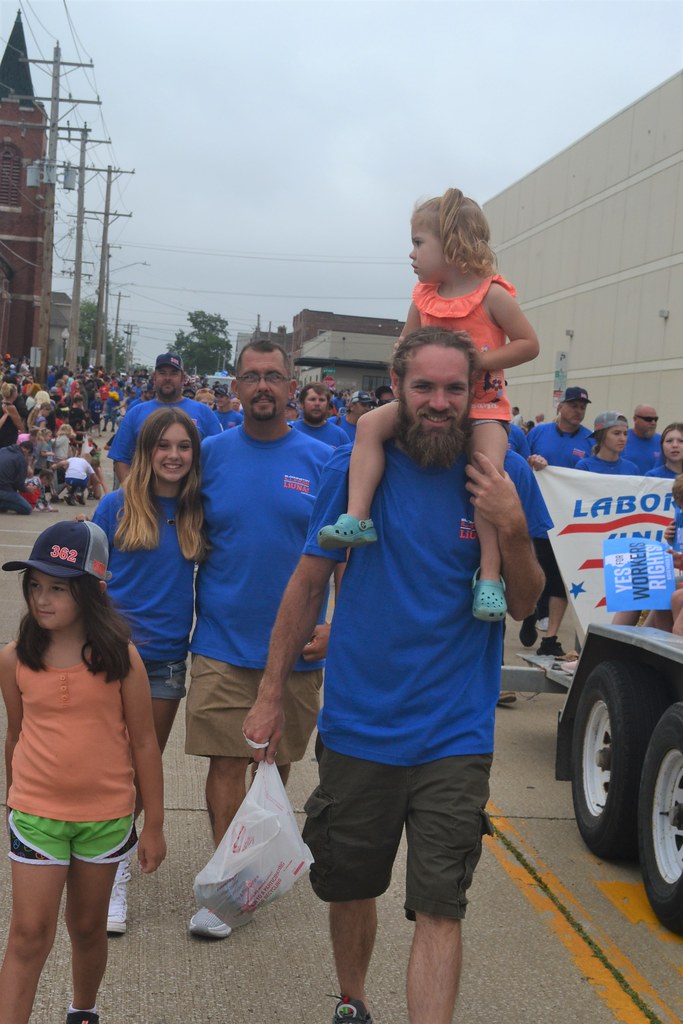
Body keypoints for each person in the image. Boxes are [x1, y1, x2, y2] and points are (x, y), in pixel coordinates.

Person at [243, 327, 546, 1024]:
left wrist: (511, 525)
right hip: (359, 725)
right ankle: (353, 1001)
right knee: (350, 884)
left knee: (441, 905)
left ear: (474, 392)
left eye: (453, 388)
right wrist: (269, 694)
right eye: (424, 387)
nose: (439, 402)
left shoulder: (505, 475)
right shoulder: (356, 468)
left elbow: (525, 605)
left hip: (454, 734)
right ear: (397, 387)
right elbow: (307, 582)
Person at [318, 188, 539, 624]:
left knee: (487, 476)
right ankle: (358, 517)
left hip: (484, 407)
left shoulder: (493, 295)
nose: (412, 253)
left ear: (452, 242)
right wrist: (402, 361)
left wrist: (477, 362)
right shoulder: (423, 296)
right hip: (423, 407)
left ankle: (489, 575)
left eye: (419, 242)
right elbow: (404, 344)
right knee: (369, 426)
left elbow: (529, 344)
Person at [185, 339, 333, 940]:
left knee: (274, 763)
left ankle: (253, 862)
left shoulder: (324, 460)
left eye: (274, 376)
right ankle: (231, 886)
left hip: (297, 648)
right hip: (222, 640)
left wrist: (337, 624)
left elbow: (347, 552)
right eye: (252, 377)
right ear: (237, 387)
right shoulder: (209, 456)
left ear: (292, 387)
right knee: (226, 760)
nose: (263, 386)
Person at [0, 520, 165, 1024]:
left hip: (105, 819)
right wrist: (12, 799)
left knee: (89, 928)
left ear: (93, 590)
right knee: (28, 934)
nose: (41, 599)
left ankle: (83, 1010)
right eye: (34, 585)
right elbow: (16, 734)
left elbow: (144, 742)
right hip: (36, 817)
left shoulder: (122, 659)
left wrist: (154, 825)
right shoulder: (14, 659)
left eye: (57, 587)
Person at [93, 408, 205, 934]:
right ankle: (95, 850)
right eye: (164, 445)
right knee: (103, 762)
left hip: (163, 660)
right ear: (145, 451)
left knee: (141, 767)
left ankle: (114, 868)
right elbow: (87, 581)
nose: (173, 455)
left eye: (183, 446)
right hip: (109, 657)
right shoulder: (115, 505)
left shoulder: (196, 509)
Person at [522, 386, 593, 655]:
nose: (578, 411)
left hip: (569, 522)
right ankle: (530, 612)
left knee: (561, 579)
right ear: (560, 407)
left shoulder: (589, 440)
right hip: (538, 515)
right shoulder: (539, 433)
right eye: (573, 405)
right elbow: (521, 464)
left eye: (582, 407)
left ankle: (550, 637)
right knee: (533, 570)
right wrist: (531, 460)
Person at [108, 354, 221, 482]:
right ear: (154, 378)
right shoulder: (136, 413)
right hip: (145, 492)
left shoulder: (204, 412)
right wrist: (132, 491)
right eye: (162, 373)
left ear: (183, 378)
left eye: (173, 373)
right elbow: (121, 459)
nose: (167, 378)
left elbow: (218, 458)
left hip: (192, 492)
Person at [575, 412, 639, 475]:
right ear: (601, 435)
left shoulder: (632, 469)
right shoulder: (585, 466)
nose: (623, 439)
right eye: (616, 433)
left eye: (625, 434)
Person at [292, 383, 350, 447]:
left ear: (327, 404)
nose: (317, 403)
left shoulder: (340, 436)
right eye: (312, 399)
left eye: (322, 400)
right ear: (302, 404)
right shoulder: (290, 431)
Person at [623, 403, 661, 474]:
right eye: (648, 419)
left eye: (655, 419)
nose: (653, 423)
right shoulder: (622, 439)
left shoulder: (663, 442)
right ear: (635, 419)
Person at [0, 439, 34, 515]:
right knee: (27, 509)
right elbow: (19, 484)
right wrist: (27, 489)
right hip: (4, 489)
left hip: (3, 485)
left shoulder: (2, 450)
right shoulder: (21, 459)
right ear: (26, 451)